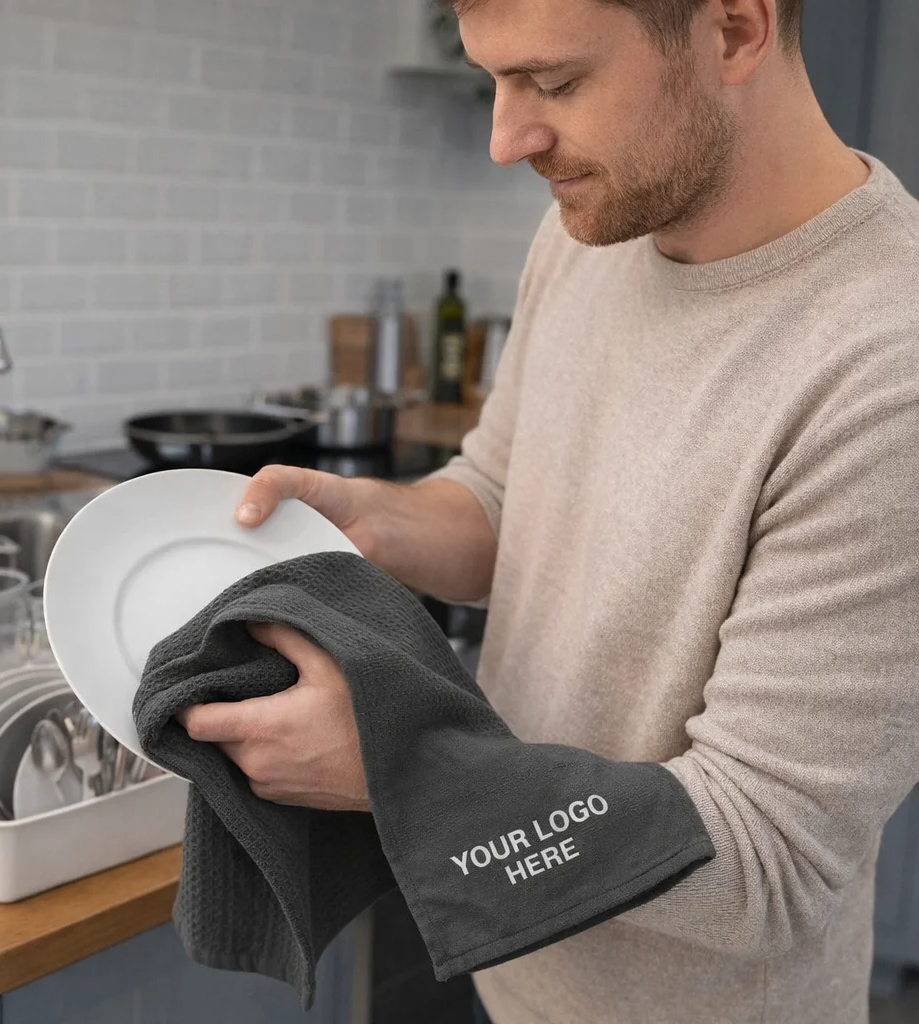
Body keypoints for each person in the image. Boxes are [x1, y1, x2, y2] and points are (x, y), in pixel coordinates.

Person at [177, 0, 919, 1020]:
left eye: (556, 83)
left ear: (736, 30)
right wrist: (370, 521)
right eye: (493, 79)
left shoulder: (887, 364)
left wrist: (400, 773)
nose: (504, 139)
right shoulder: (588, 228)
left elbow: (767, 856)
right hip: (524, 967)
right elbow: (498, 498)